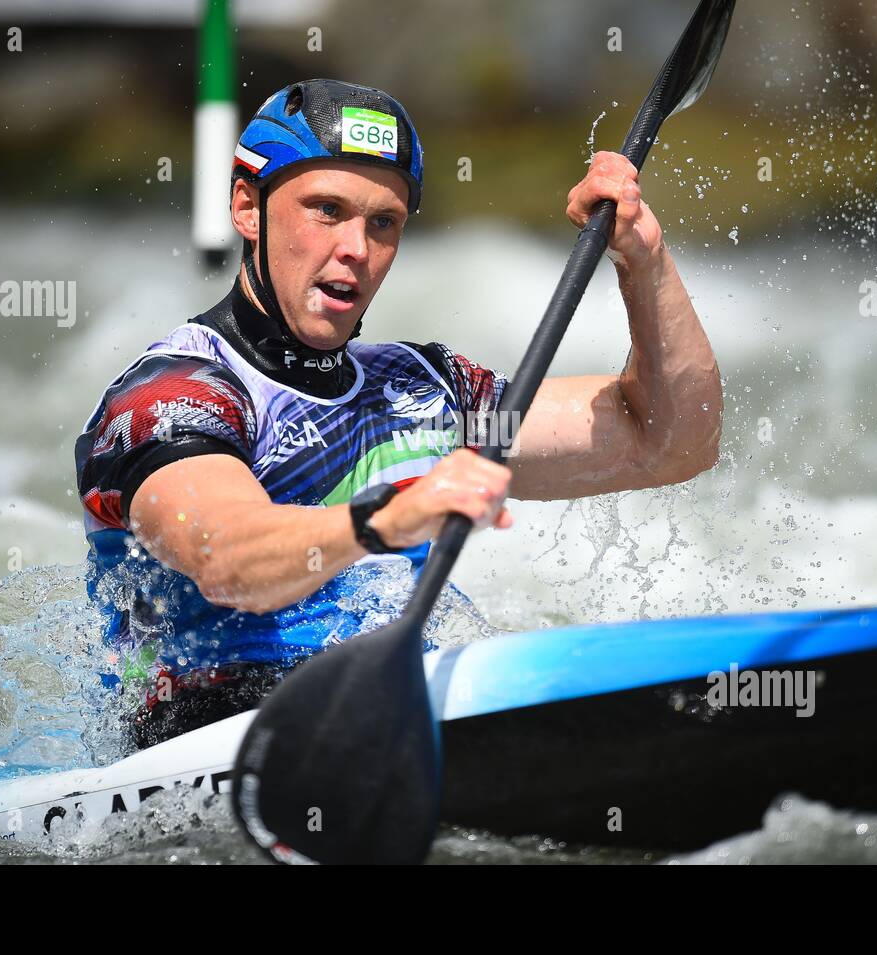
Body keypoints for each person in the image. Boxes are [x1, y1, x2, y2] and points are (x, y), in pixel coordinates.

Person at [74, 78, 721, 747]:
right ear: (247, 206)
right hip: (206, 755)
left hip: (386, 724)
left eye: (383, 222)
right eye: (326, 209)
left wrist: (642, 260)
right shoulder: (174, 395)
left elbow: (669, 442)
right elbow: (226, 555)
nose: (357, 247)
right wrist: (389, 515)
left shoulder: (427, 391)